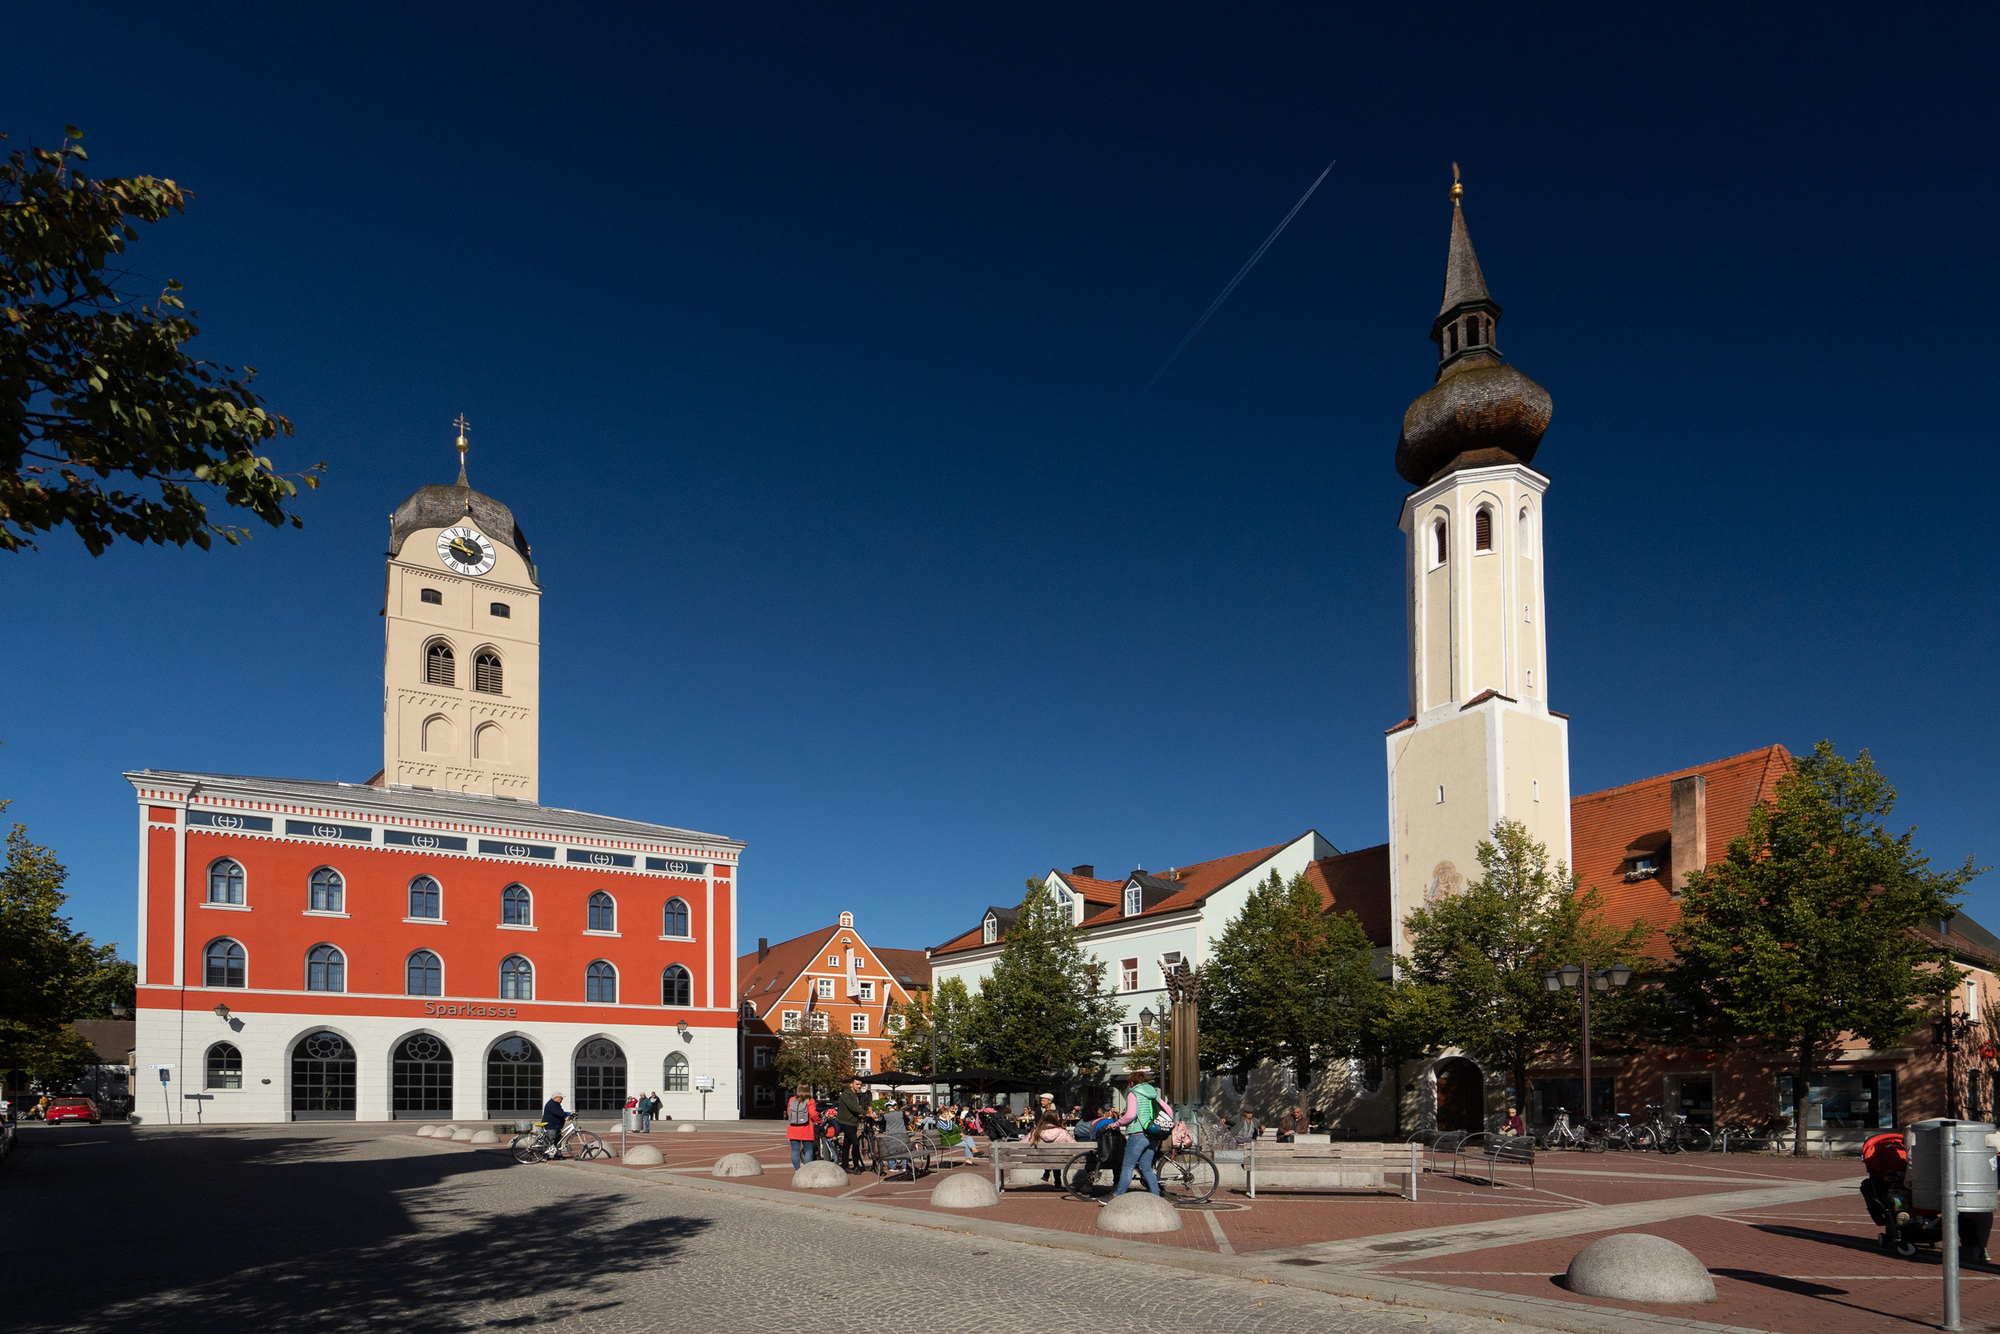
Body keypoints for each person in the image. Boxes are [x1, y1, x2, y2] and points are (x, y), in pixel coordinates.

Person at [1109, 1069, 1168, 1198]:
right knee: (1146, 1167)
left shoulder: (1133, 1093)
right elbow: (1168, 1111)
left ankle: (1118, 1196)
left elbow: (1130, 1115)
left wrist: (1117, 1123)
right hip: (1153, 1133)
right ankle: (1155, 1196)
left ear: (1131, 1082)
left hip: (1138, 1132)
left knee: (1128, 1166)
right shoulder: (1153, 1093)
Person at [836, 1075, 869, 1172]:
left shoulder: (855, 1095)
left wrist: (861, 1114)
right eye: (857, 1084)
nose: (859, 1086)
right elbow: (852, 1107)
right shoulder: (847, 1094)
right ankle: (856, 1166)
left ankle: (845, 1165)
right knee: (855, 1142)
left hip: (852, 1122)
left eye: (860, 1085)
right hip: (846, 1122)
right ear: (851, 1084)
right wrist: (865, 1112)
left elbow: (855, 1108)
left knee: (846, 1144)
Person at [785, 1083, 820, 1168]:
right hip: (806, 1128)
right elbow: (813, 1114)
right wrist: (819, 1121)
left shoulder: (792, 1099)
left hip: (793, 1128)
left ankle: (797, 1170)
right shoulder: (810, 1100)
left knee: (794, 1151)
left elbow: (789, 1113)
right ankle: (806, 1170)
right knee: (808, 1150)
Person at [539, 1092, 571, 1157]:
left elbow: (560, 1112)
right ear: (556, 1098)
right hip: (551, 1125)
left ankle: (558, 1154)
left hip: (556, 1125)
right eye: (561, 1098)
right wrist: (569, 1114)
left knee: (558, 1140)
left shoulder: (556, 1104)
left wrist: (566, 1116)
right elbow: (559, 1113)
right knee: (550, 1141)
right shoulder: (551, 1104)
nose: (562, 1099)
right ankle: (545, 1155)